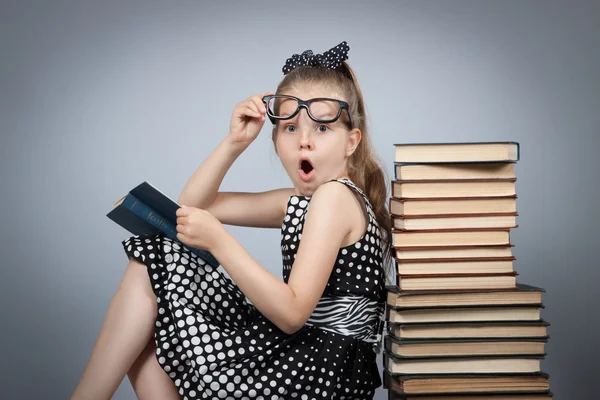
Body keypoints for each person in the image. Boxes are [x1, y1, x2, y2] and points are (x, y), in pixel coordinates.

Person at [71, 41, 393, 400]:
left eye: (321, 128)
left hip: (318, 369)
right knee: (144, 326)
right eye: (290, 129)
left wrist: (220, 243)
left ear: (351, 141)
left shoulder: (335, 198)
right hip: (307, 356)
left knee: (149, 278)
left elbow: (291, 313)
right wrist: (234, 142)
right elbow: (194, 205)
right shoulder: (304, 201)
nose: (304, 141)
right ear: (274, 140)